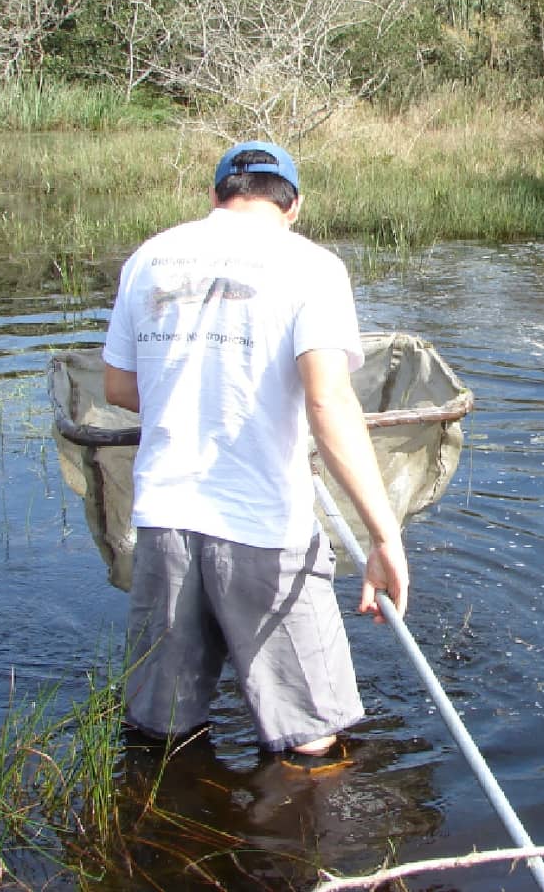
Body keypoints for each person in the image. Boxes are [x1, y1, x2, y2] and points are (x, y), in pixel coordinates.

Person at [102, 140, 408, 757]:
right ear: (294, 205)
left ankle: (162, 836)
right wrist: (384, 536)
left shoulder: (149, 257)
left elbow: (118, 387)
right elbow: (328, 403)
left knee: (162, 734)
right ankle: (302, 842)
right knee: (312, 738)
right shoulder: (312, 265)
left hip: (163, 520)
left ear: (215, 195)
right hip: (265, 526)